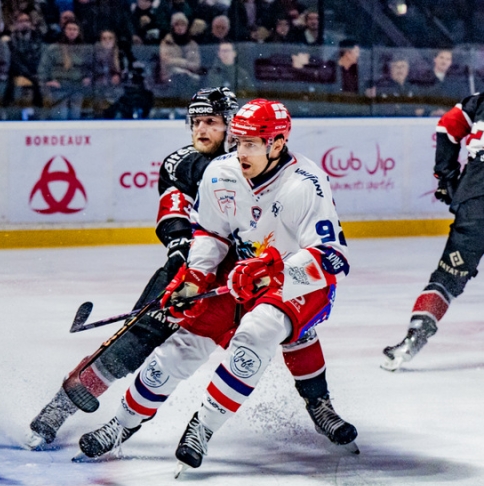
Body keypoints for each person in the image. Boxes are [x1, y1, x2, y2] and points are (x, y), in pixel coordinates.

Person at [27, 91, 354, 455]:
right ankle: (62, 409)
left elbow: (327, 255)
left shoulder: (284, 173)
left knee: (288, 326)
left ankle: (318, 404)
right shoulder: (187, 165)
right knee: (140, 341)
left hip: (258, 267)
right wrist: (188, 265)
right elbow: (181, 220)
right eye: (196, 122)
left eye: (212, 122)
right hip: (195, 267)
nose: (202, 130)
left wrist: (276, 272)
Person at [382, 93, 484, 370]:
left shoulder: (478, 101)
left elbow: (447, 126)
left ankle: (412, 339)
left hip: (476, 195)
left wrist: (446, 176)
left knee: (447, 278)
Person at [38, 19, 92, 120]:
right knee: (60, 117)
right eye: (69, 29)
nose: (72, 31)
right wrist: (47, 82)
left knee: (75, 118)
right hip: (58, 88)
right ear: (64, 31)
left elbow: (90, 67)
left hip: (77, 87)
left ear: (79, 32)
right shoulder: (53, 48)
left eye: (75, 29)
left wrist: (88, 77)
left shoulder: (85, 50)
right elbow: (43, 68)